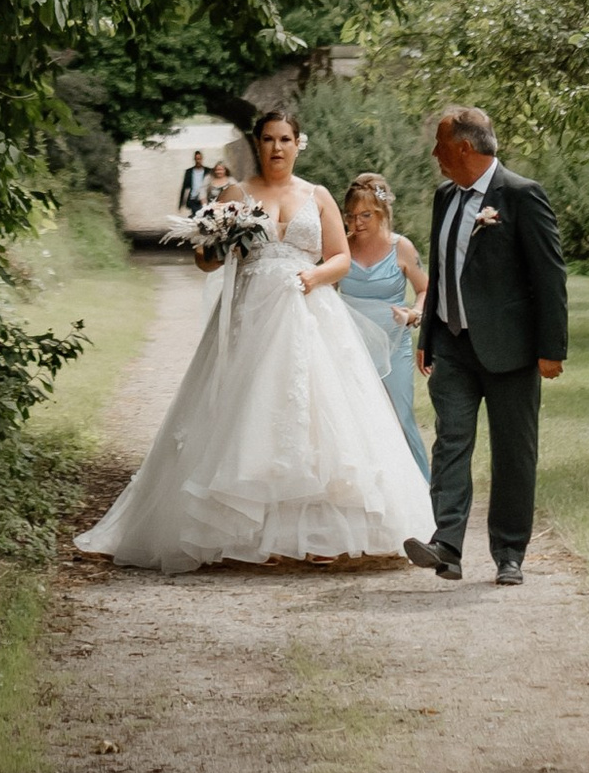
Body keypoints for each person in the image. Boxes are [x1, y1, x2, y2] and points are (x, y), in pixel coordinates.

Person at [77, 106, 432, 572]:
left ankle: (321, 531)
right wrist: (211, 241)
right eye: (268, 139)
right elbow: (208, 263)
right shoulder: (236, 192)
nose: (277, 148)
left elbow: (340, 259)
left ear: (297, 144)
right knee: (251, 415)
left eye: (285, 139)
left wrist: (313, 275)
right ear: (257, 143)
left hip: (308, 313)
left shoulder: (317, 195)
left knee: (316, 418)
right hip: (252, 314)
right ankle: (242, 531)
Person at [404, 101, 567, 587]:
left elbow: (550, 276)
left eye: (439, 146)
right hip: (452, 345)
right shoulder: (443, 196)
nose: (434, 155)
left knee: (513, 450)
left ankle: (510, 552)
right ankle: (447, 546)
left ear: (463, 147)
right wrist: (429, 333)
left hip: (510, 350)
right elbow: (440, 269)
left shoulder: (521, 195)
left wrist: (551, 348)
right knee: (451, 441)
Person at [332, 175, 429, 477]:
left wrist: (414, 314)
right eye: (349, 215)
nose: (356, 222)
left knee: (401, 416)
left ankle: (421, 488)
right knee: (355, 420)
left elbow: (426, 289)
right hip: (351, 348)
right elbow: (326, 292)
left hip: (393, 344)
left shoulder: (401, 248)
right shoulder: (340, 249)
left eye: (365, 215)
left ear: (382, 212)